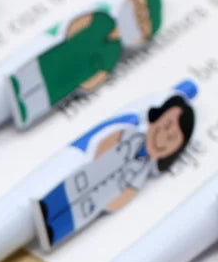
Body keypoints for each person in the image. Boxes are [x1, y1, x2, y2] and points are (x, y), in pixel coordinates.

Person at [36, 90, 196, 250]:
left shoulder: (143, 171)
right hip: (87, 175)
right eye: (166, 125)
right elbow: (106, 143)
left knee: (75, 217)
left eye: (172, 138)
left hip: (99, 199)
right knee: (65, 193)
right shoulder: (130, 135)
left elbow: (129, 191)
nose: (164, 136)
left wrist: (110, 203)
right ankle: (45, 207)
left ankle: (53, 233)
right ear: (156, 117)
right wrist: (97, 163)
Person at [9, 0, 162, 128]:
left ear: (141, 39)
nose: (135, 19)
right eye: (137, 9)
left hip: (68, 80)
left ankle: (26, 110)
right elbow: (75, 26)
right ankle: (17, 85)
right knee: (29, 77)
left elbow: (97, 78)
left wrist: (80, 82)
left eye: (142, 24)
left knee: (40, 98)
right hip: (57, 57)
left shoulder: (113, 54)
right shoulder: (103, 19)